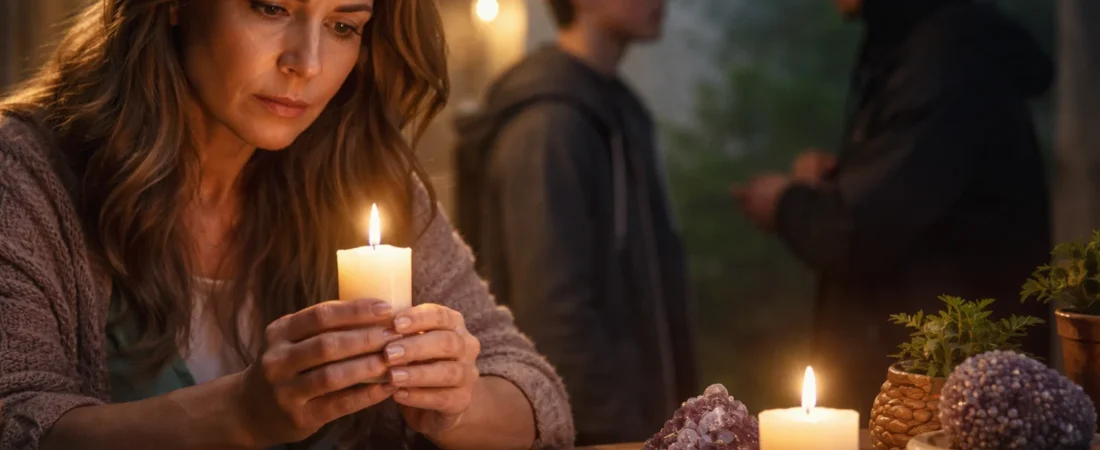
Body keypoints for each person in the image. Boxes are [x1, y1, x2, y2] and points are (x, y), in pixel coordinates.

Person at [0, 1, 574, 449]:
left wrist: (455, 405)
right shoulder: (26, 175)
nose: (308, 63)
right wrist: (241, 415)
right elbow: (18, 421)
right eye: (271, 8)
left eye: (344, 26)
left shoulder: (361, 171)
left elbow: (537, 396)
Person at [733, 0, 1054, 416]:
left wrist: (785, 202)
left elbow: (861, 229)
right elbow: (910, 187)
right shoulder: (923, 47)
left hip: (940, 389)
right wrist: (839, 180)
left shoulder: (949, 59)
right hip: (928, 378)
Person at [453, 0, 696, 445]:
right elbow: (551, 311)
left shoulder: (615, 109)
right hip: (595, 432)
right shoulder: (550, 124)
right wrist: (619, 429)